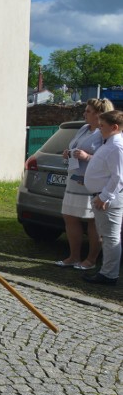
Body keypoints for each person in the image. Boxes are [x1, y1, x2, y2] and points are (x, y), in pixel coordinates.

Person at [56, 98, 114, 269]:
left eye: (88, 111)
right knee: (69, 216)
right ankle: (73, 256)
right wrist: (69, 152)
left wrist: (87, 157)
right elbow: (75, 145)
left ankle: (90, 260)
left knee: (92, 221)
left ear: (99, 115)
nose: (84, 113)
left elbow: (109, 157)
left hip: (91, 183)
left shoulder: (105, 133)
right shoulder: (84, 128)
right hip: (74, 179)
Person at [82, 109, 123, 286]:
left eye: (102, 126)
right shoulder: (109, 143)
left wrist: (104, 197)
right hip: (101, 197)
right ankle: (107, 272)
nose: (99, 129)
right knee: (107, 237)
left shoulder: (116, 147)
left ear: (114, 127)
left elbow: (119, 177)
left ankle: (109, 275)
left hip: (106, 200)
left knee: (111, 238)